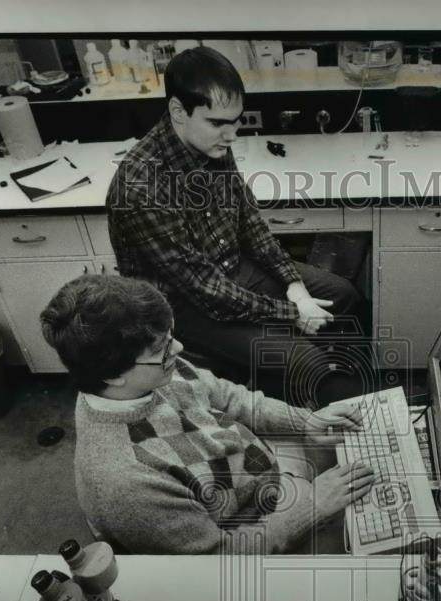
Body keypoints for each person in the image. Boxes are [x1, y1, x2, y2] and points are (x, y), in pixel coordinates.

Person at [106, 45, 369, 408]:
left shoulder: (213, 142)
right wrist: (293, 314)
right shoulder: (141, 187)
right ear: (178, 112)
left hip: (231, 271)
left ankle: (318, 397)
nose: (231, 135)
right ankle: (305, 416)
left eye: (236, 121)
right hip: (184, 306)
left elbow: (249, 222)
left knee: (344, 297)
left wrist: (295, 287)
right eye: (218, 123)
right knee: (308, 364)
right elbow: (203, 288)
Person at [40, 274, 374, 554]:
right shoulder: (126, 483)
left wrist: (305, 422)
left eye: (171, 337)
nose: (179, 350)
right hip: (250, 530)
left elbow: (231, 399)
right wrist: (313, 507)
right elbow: (220, 557)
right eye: (162, 350)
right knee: (371, 556)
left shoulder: (151, 372)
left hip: (257, 476)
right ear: (112, 375)